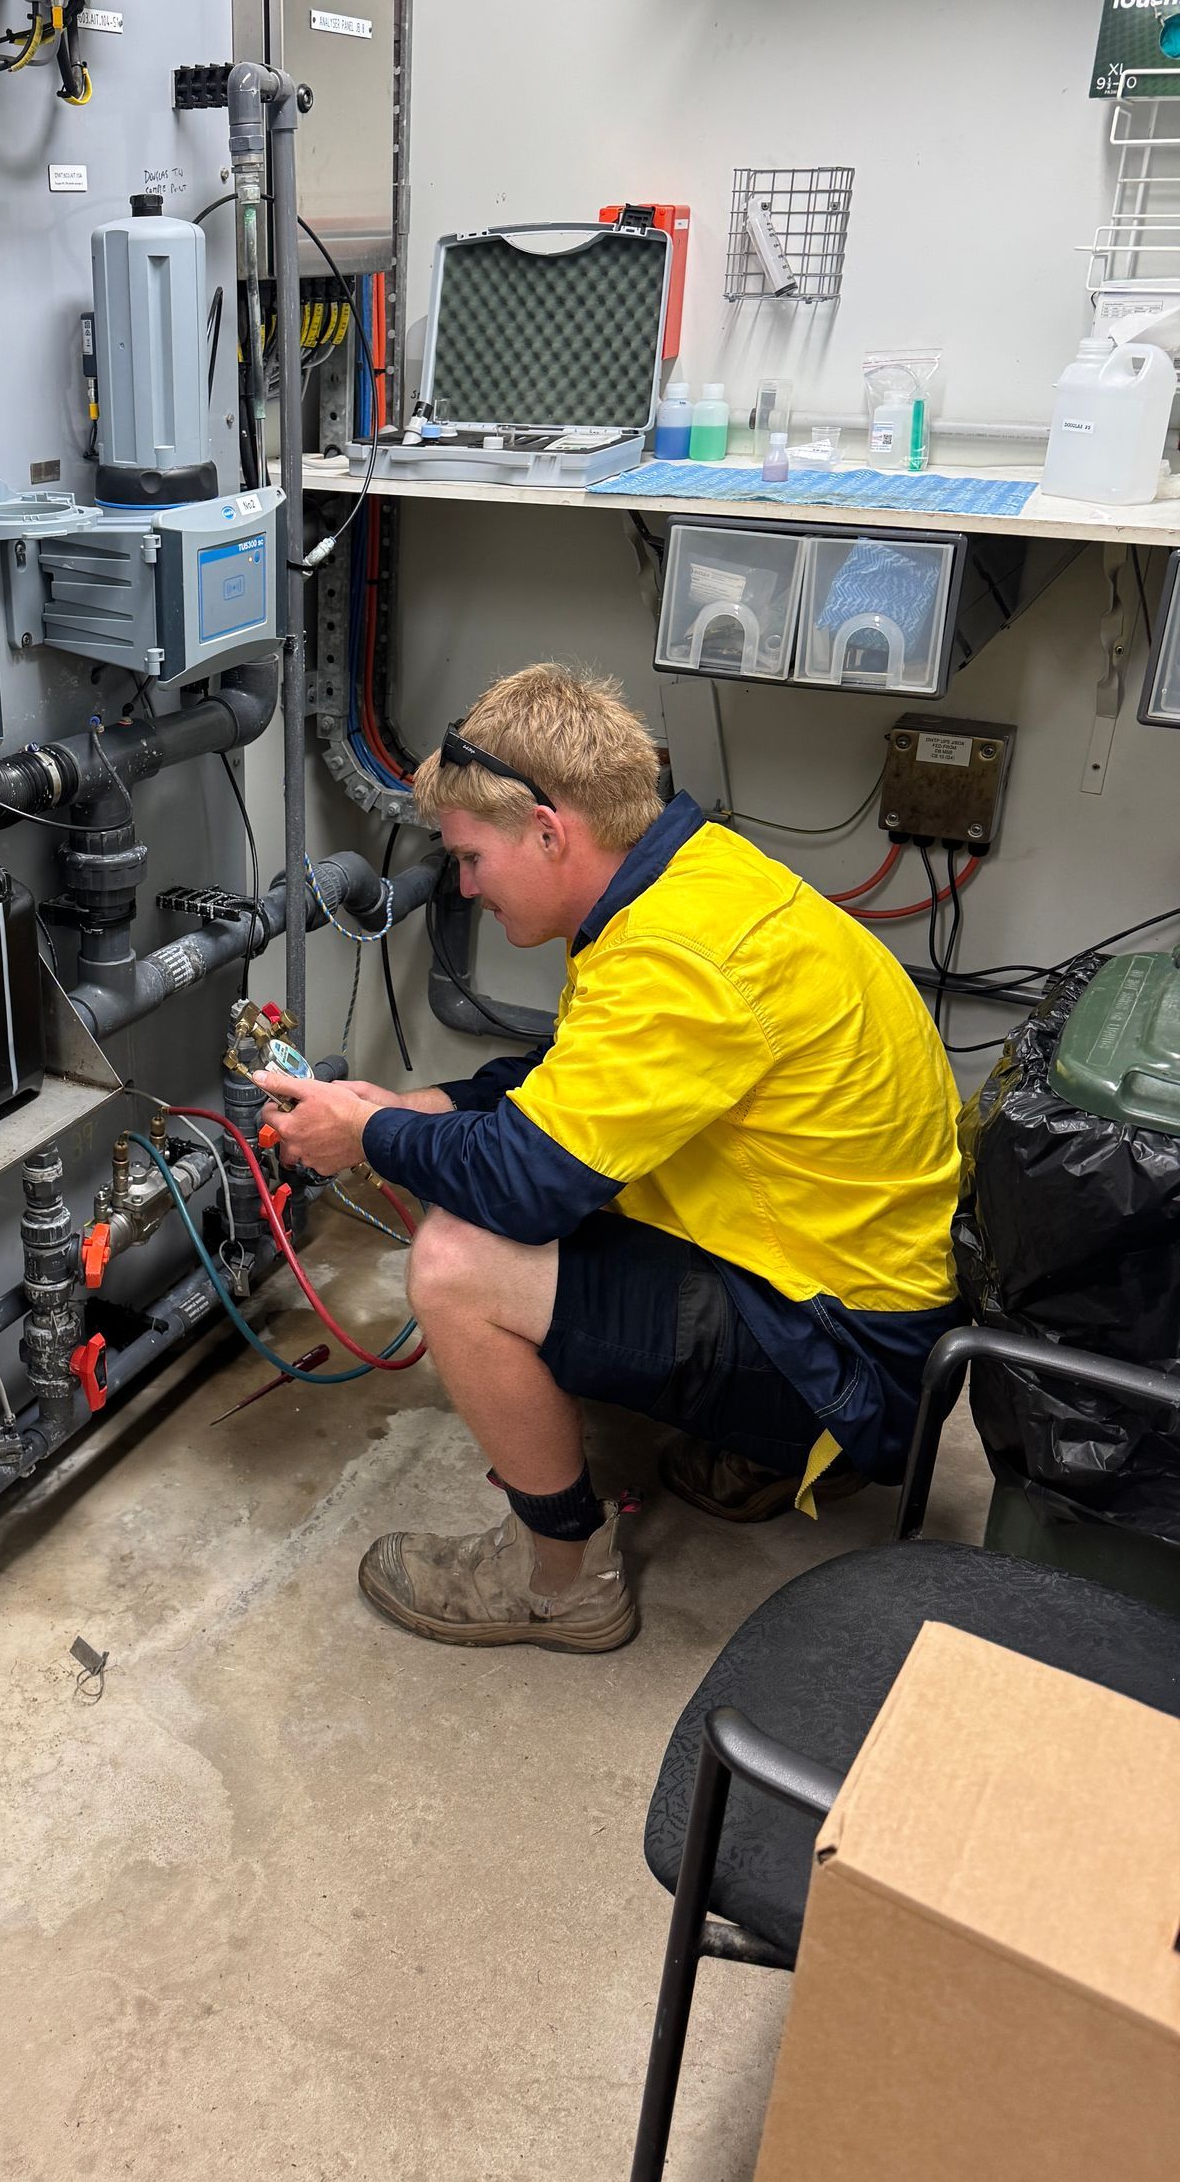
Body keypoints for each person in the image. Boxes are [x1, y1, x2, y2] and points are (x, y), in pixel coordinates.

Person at [254, 662, 964, 1653]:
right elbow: (580, 1077)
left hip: (846, 1360)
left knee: (458, 1261)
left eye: (469, 856)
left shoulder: (678, 958)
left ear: (549, 830)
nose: (461, 885)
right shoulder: (693, 876)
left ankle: (561, 1581)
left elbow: (525, 1186)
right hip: (853, 1286)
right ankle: (752, 1449)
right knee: (502, 1170)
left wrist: (371, 1136)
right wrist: (418, 1108)